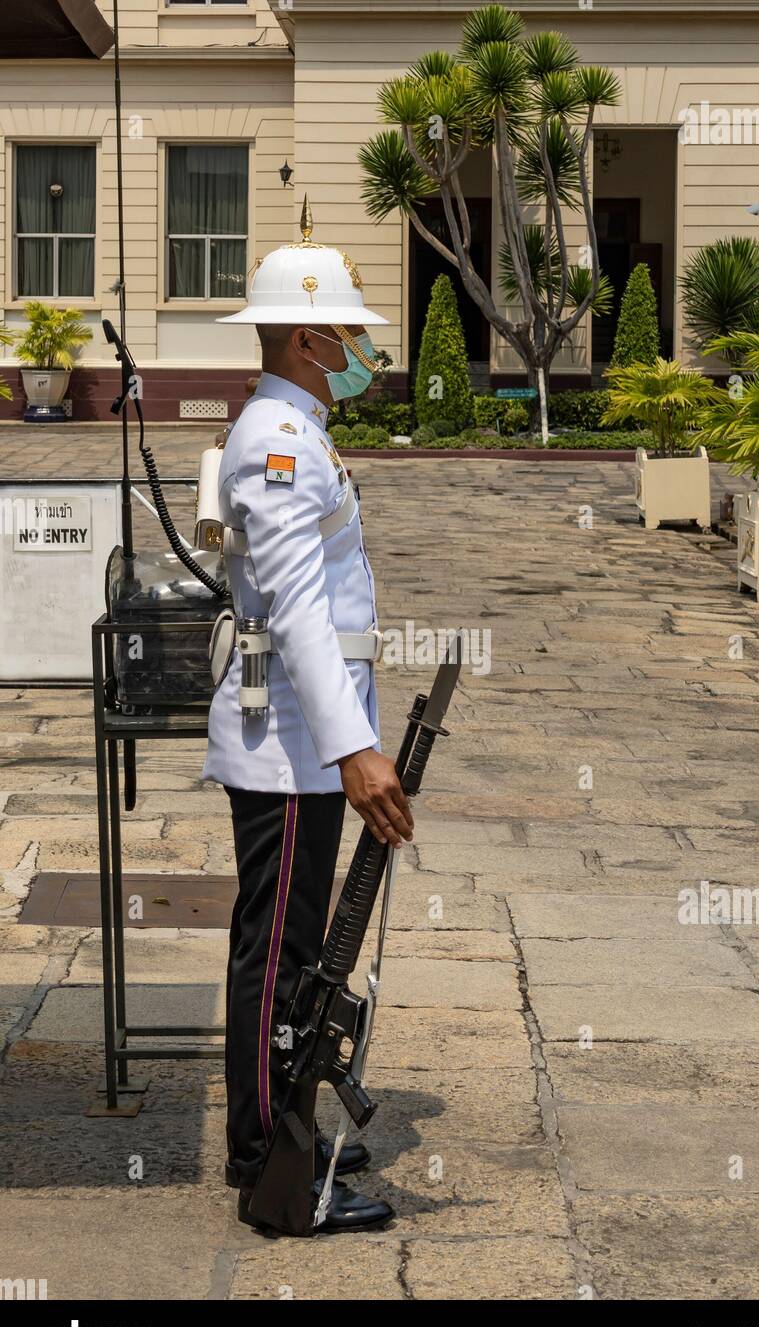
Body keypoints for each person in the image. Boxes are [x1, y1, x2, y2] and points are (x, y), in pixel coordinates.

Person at [202, 204, 413, 1234]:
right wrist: (357, 751)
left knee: (295, 959)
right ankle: (264, 1165)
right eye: (347, 334)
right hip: (291, 746)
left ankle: (282, 1123)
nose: (360, 351)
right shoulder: (278, 443)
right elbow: (293, 610)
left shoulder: (294, 431)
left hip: (303, 744)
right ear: (304, 338)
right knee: (278, 957)